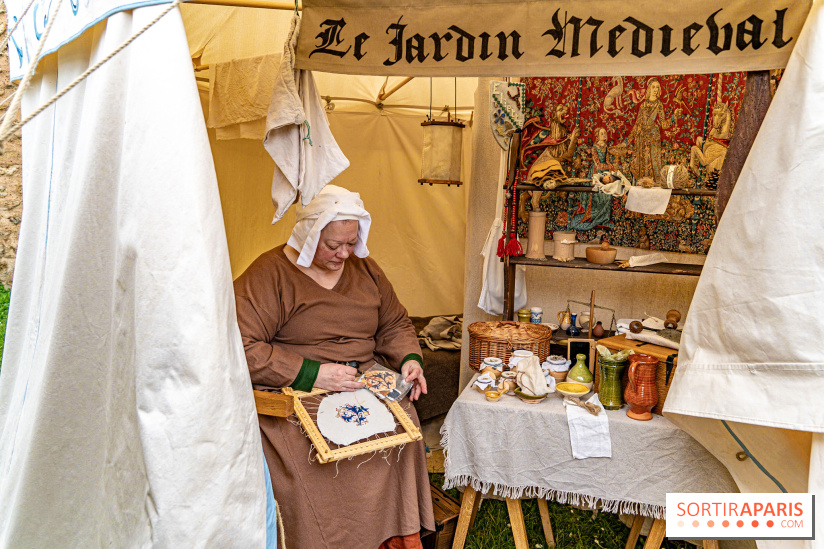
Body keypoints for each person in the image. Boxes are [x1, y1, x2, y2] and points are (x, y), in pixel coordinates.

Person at [234, 185, 435, 549]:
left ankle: (394, 539)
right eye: (333, 245)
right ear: (309, 236)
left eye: (351, 243)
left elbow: (395, 324)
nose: (344, 253)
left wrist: (409, 360)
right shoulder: (269, 274)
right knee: (318, 445)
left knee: (402, 422)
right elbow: (241, 346)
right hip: (297, 389)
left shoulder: (366, 270)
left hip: (364, 381)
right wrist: (312, 373)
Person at [627, 78, 682, 180]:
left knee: (654, 163)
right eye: (653, 87)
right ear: (649, 89)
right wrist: (628, 140)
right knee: (642, 163)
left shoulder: (659, 105)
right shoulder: (643, 105)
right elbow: (637, 124)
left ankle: (655, 184)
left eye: (657, 87)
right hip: (642, 137)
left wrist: (673, 117)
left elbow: (664, 124)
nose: (655, 89)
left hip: (653, 136)